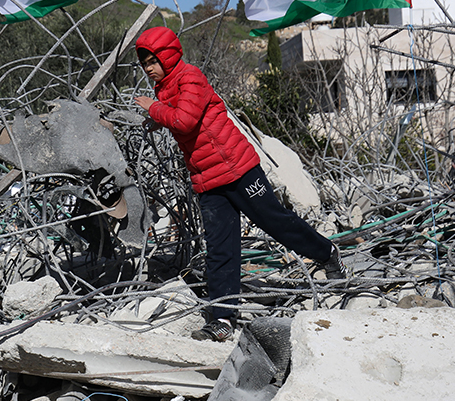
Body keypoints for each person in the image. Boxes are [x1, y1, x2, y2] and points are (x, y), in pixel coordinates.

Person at [133, 26, 347, 342]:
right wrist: (156, 116)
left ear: (168, 55)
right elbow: (179, 118)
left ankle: (327, 253)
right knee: (220, 248)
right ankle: (223, 319)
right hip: (207, 179)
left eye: (153, 60)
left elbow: (185, 120)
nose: (149, 68)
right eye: (144, 63)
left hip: (238, 169)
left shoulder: (190, 77)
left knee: (276, 223)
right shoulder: (165, 90)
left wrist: (153, 109)